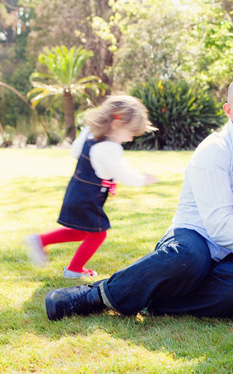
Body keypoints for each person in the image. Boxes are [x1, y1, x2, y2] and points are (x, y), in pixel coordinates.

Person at [43, 74, 233, 320]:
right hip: (195, 235)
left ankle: (155, 302)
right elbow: (218, 224)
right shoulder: (214, 150)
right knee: (192, 258)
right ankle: (97, 294)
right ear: (229, 110)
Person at [24, 95, 158, 278]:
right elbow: (124, 174)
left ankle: (40, 240)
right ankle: (73, 270)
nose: (130, 138)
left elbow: (75, 152)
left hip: (77, 191)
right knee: (98, 235)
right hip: (88, 197)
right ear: (116, 123)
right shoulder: (109, 148)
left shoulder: (89, 133)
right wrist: (143, 179)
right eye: (130, 132)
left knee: (81, 232)